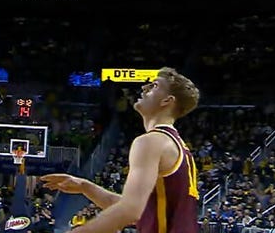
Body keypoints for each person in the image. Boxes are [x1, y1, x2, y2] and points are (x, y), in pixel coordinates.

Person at [40, 67, 201, 233]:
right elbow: (139, 208)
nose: (144, 88)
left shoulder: (152, 141)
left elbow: (130, 210)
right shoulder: (176, 144)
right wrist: (84, 186)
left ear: (167, 100)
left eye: (154, 86)